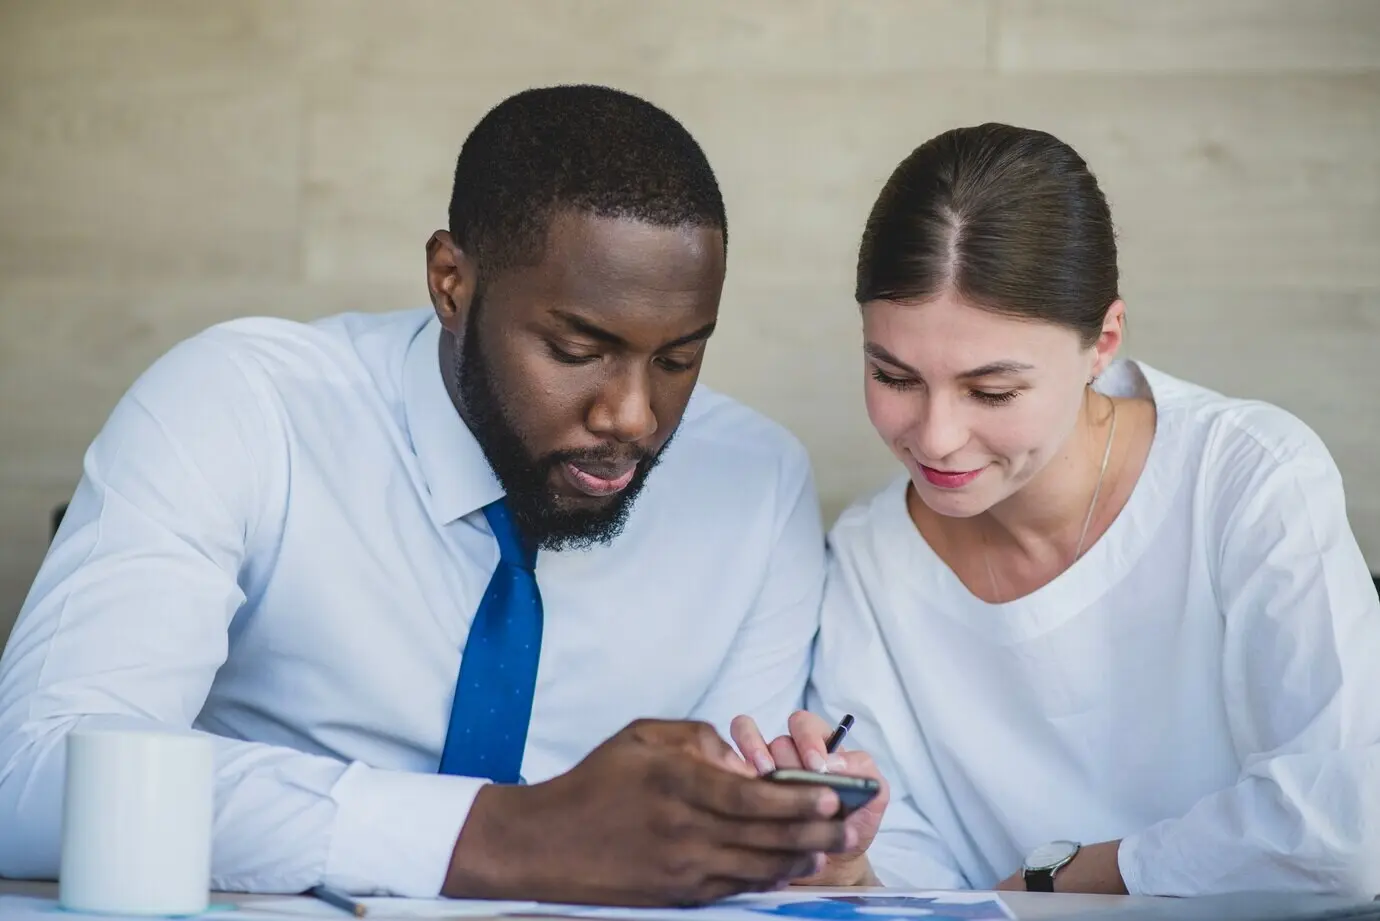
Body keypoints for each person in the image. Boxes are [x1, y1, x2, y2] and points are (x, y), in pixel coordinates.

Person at [0, 85, 849, 906]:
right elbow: (32, 774)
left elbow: (729, 845)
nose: (632, 415)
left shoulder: (757, 484)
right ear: (451, 281)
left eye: (678, 359)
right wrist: (507, 835)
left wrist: (794, 836)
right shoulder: (244, 407)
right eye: (575, 349)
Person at [733, 122, 1380, 897]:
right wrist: (850, 867)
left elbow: (1341, 834)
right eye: (894, 376)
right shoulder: (870, 556)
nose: (936, 437)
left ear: (1103, 341)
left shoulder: (1248, 479)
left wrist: (1057, 881)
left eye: (992, 391)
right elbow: (911, 884)